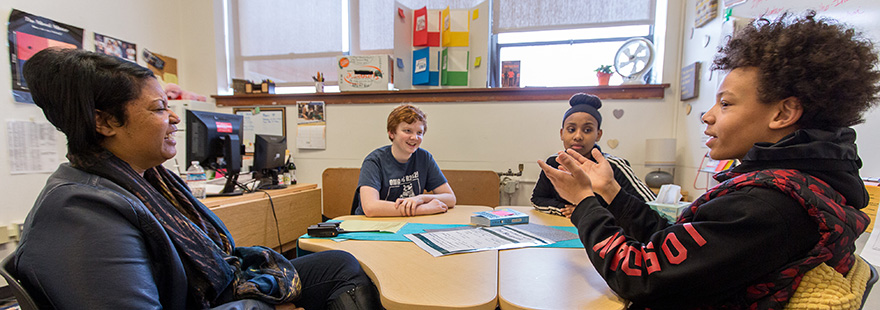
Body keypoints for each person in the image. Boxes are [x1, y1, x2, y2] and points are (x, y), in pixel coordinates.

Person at [538, 12, 878, 309]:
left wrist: (584, 202)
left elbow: (639, 274)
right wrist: (611, 190)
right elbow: (674, 240)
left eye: (726, 104)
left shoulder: (766, 208)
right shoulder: (795, 187)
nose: (708, 116)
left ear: (783, 112)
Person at [11, 48, 382, 310]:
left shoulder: (151, 181)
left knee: (340, 264)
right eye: (159, 109)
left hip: (211, 294)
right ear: (104, 122)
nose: (174, 119)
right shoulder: (81, 212)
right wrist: (262, 306)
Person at [532, 93, 655, 217]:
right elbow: (537, 199)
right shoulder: (554, 162)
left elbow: (652, 206)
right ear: (561, 133)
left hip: (607, 232)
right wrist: (567, 210)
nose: (578, 136)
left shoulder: (614, 166)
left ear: (598, 134)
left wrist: (590, 211)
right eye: (571, 130)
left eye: (587, 130)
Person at [355, 104, 456, 217]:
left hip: (407, 222)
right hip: (373, 225)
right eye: (407, 131)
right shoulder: (374, 161)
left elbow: (450, 198)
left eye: (419, 133)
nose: (414, 137)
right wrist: (423, 209)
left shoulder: (424, 158)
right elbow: (370, 208)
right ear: (391, 133)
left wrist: (421, 199)